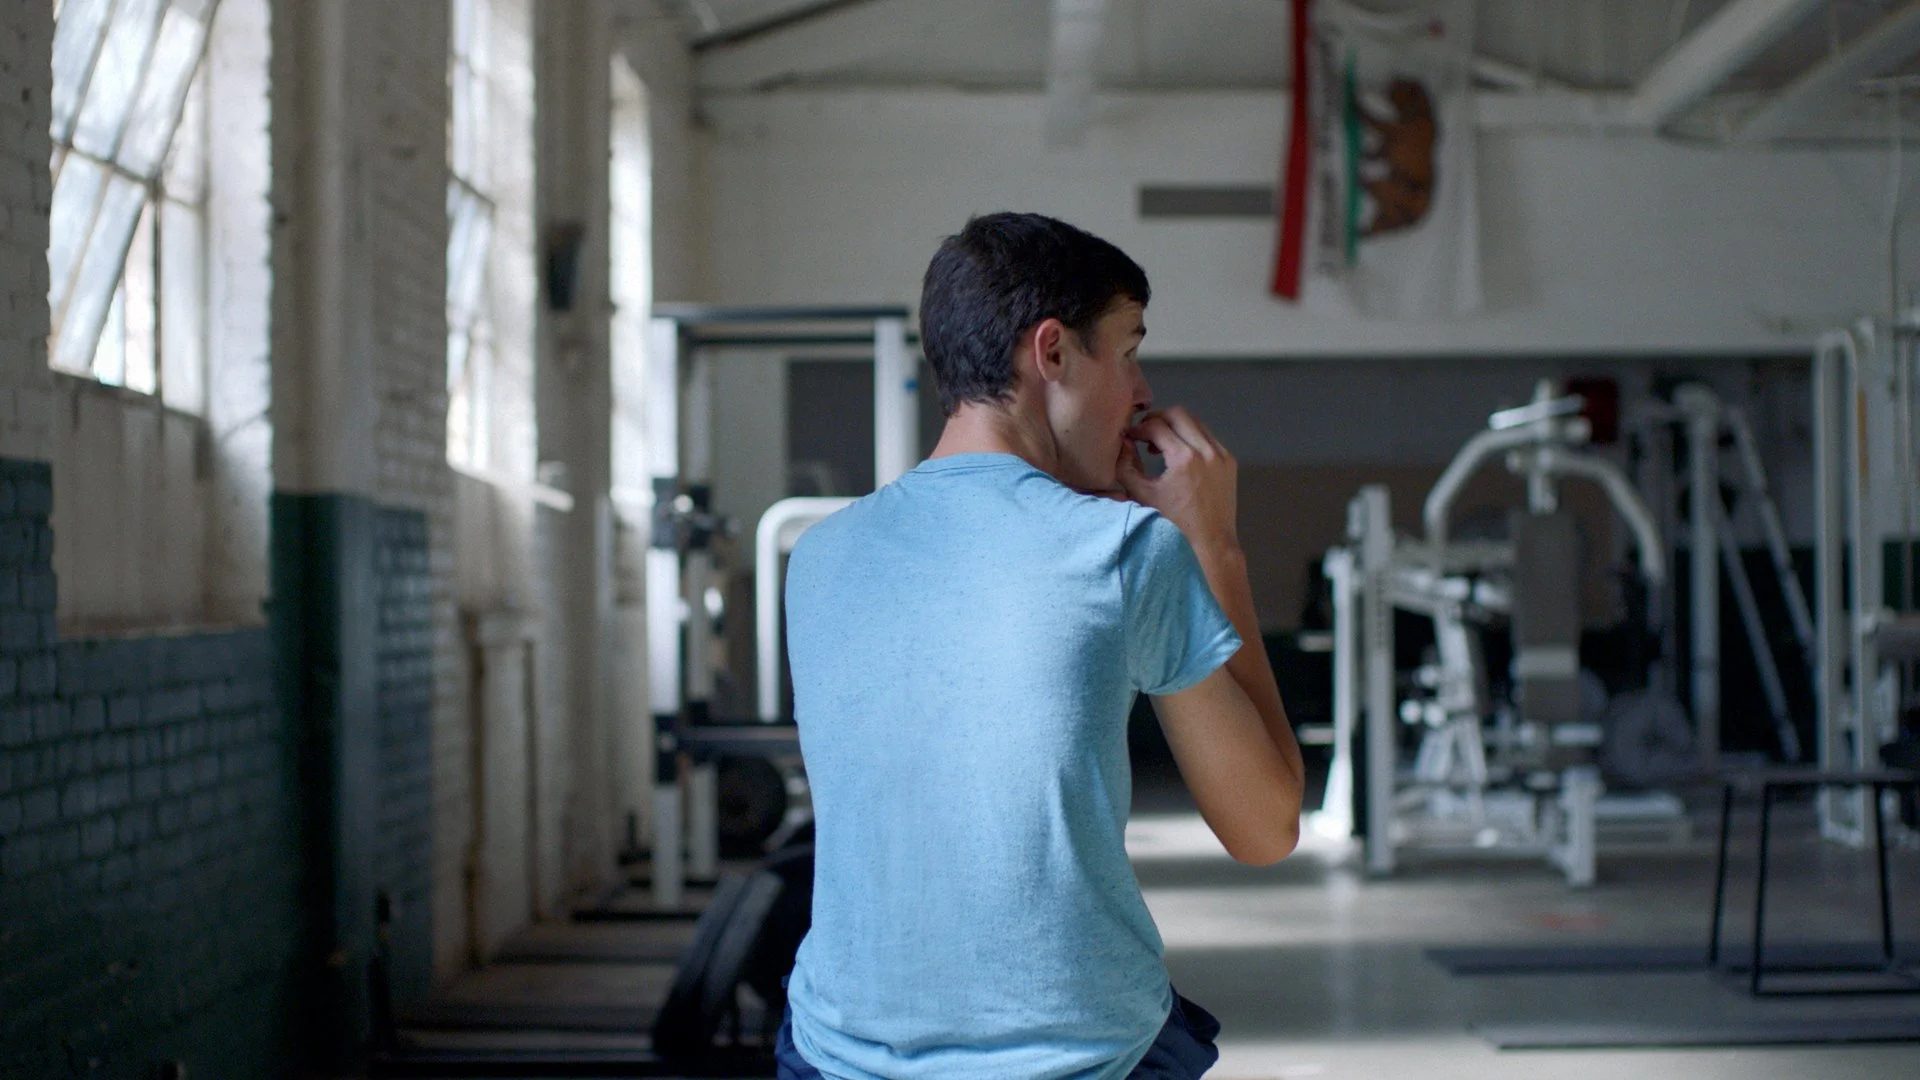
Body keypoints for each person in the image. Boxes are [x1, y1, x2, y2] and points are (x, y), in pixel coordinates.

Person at [776, 212, 1305, 1079]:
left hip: (836, 1053)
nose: (1141, 390)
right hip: (1078, 1058)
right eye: (1127, 350)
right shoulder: (1124, 550)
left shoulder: (821, 556)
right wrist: (1216, 544)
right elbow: (1265, 827)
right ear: (1051, 352)